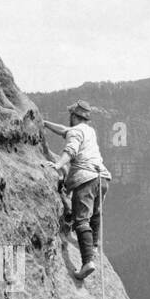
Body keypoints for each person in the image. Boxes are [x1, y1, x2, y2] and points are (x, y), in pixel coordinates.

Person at [45, 101, 111, 281]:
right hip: (102, 178)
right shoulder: (89, 131)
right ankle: (94, 247)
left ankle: (87, 262)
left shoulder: (75, 131)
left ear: (74, 116)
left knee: (81, 219)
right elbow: (64, 130)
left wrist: (58, 165)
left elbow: (71, 150)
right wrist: (44, 123)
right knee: (95, 214)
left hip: (85, 179)